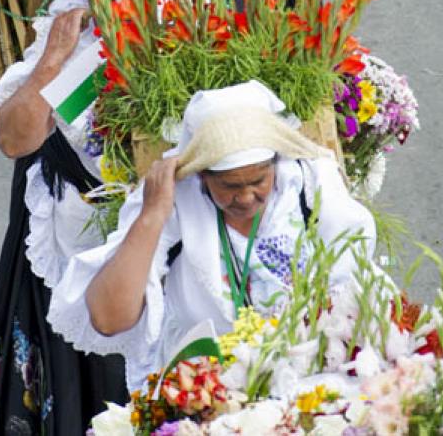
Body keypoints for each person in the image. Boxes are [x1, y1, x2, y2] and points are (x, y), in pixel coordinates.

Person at [0, 0, 198, 435]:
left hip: (155, 271)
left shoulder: (208, 67)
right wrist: (52, 60)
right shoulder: (84, 58)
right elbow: (15, 137)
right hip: (72, 255)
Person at [48, 81, 376, 391]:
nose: (246, 197)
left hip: (311, 375)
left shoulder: (308, 184)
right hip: (207, 384)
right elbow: (109, 318)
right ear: (201, 175)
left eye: (259, 181)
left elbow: (356, 288)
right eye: (230, 186)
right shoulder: (174, 200)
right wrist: (151, 217)